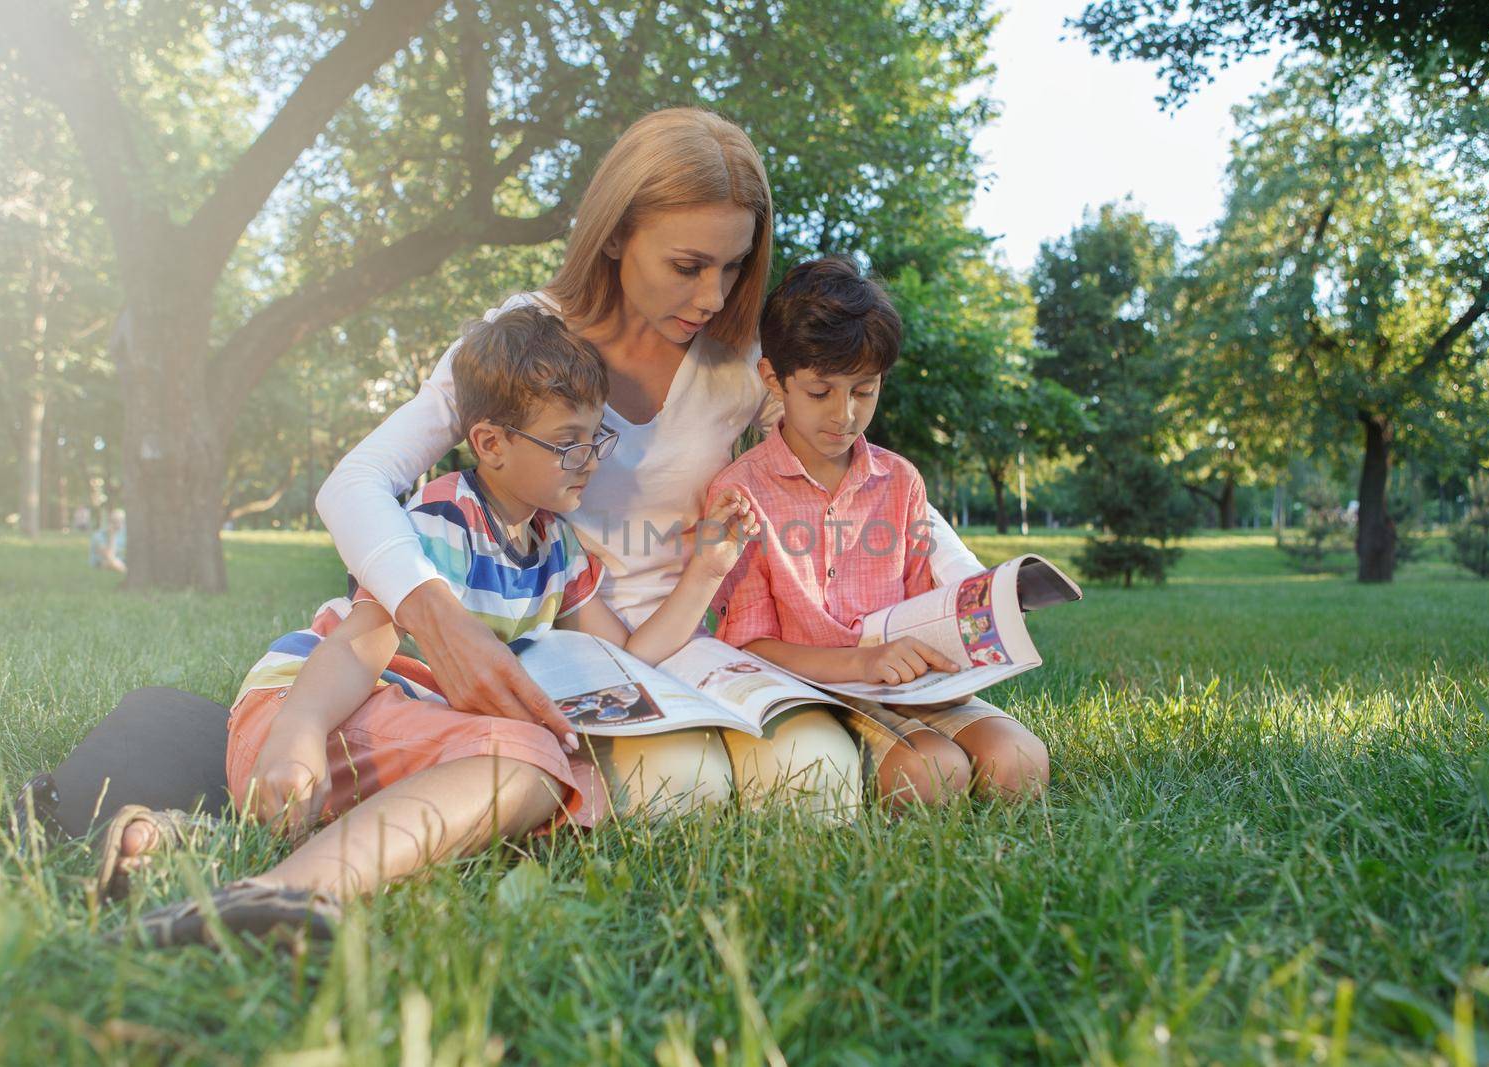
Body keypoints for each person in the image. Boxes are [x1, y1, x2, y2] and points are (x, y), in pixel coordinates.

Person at [79, 106, 987, 880]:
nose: (712, 295)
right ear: (620, 231)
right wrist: (442, 622)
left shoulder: (739, 365)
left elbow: (851, 454)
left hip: (675, 646)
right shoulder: (524, 345)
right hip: (551, 643)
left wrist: (971, 589)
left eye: (732, 266)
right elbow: (358, 481)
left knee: (816, 784)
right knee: (685, 795)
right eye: (686, 264)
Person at [114, 308, 758, 945]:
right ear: (491, 444)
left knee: (575, 777)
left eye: (596, 438)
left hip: (391, 743)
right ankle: (281, 895)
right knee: (528, 760)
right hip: (312, 710)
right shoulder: (442, 519)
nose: (589, 460)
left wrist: (704, 573)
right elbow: (356, 650)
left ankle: (199, 842)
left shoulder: (556, 545)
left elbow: (628, 656)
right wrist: (299, 730)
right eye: (569, 442)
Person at [706, 257, 1050, 807]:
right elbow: (751, 645)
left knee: (1020, 763)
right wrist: (861, 663)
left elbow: (924, 605)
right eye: (821, 392)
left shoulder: (900, 481)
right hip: (814, 691)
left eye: (864, 391)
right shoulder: (741, 492)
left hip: (909, 682)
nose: (844, 415)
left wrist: (980, 622)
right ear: (773, 379)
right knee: (934, 775)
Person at [89, 509, 127, 574]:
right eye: (114, 521)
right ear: (109, 522)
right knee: (111, 562)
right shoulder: (98, 536)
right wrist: (112, 536)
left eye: (121, 521)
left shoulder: (124, 533)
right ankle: (128, 572)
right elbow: (109, 556)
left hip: (121, 560)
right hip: (102, 562)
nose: (118, 524)